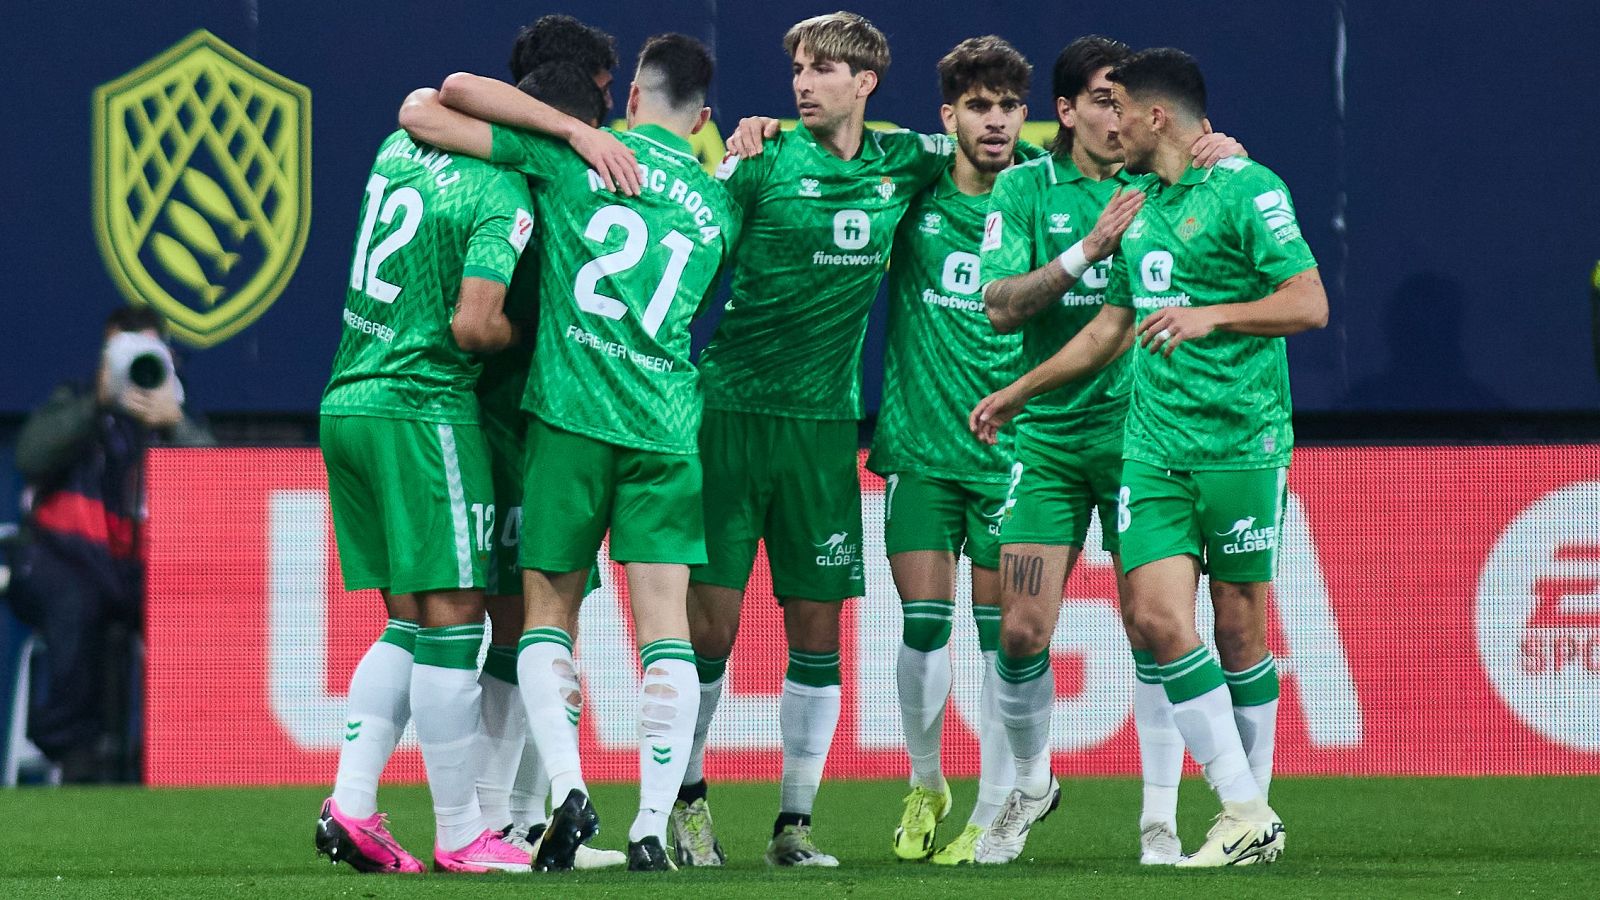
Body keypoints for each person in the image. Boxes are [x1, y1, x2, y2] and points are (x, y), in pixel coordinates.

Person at [971, 46, 1327, 868]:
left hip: (1240, 442)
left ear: (1153, 116)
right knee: (1155, 621)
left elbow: (1308, 303)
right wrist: (1023, 391)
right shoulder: (1137, 207)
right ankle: (1239, 810)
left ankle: (1243, 810)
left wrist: (1214, 317)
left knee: (1237, 629)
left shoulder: (1246, 186)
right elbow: (1110, 327)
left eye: (1120, 108)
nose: (1110, 125)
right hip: (1151, 448)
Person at [400, 31, 738, 872]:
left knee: (547, 617)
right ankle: (654, 825)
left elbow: (441, 104)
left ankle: (569, 789)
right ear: (702, 119)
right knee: (665, 632)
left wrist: (577, 135)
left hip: (569, 421)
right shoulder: (720, 202)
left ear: (629, 101)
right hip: (663, 429)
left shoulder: (569, 160)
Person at [315, 67, 628, 873]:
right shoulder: (505, 196)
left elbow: (430, 94)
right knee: (459, 620)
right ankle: (464, 832)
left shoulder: (404, 142)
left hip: (350, 397)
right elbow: (475, 323)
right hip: (429, 408)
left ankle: (353, 805)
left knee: (413, 619)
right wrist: (540, 334)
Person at [678, 11, 955, 868]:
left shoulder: (905, 161)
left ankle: (793, 826)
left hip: (827, 431)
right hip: (729, 417)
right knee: (708, 635)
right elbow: (687, 265)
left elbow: (1010, 156)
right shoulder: (760, 161)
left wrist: (1219, 150)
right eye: (799, 66)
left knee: (817, 634)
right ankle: (686, 805)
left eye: (825, 68)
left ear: (866, 82)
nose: (804, 82)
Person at [863, 36, 1030, 865]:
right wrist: (756, 127)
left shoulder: (1039, 196)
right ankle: (927, 782)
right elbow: (842, 146)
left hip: (1012, 460)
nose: (995, 122)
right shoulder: (914, 189)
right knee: (923, 626)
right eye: (979, 106)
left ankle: (998, 807)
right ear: (949, 116)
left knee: (1006, 640)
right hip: (923, 448)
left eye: (1008, 107)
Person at [464, 59, 624, 872]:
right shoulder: (529, 175)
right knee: (515, 630)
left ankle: (521, 825)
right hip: (512, 427)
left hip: (543, 430)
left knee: (536, 630)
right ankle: (491, 825)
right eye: (602, 102)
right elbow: (430, 100)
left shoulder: (523, 173)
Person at [10, 306, 212, 783]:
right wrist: (96, 404)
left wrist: (174, 424)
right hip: (62, 559)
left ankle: (179, 755)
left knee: (193, 609)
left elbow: (216, 481)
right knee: (74, 603)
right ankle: (76, 754)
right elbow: (30, 455)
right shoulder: (75, 402)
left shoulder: (174, 412)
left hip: (142, 571)